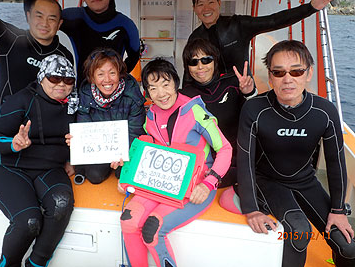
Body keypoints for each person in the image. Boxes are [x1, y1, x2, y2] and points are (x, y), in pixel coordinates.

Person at [234, 40, 355, 267]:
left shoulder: (324, 112)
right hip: (267, 181)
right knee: (299, 231)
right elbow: (245, 160)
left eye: (296, 71)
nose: (287, 79)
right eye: (278, 72)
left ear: (308, 74)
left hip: (305, 180)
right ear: (270, 77)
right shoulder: (255, 109)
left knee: (348, 246)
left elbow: (336, 163)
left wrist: (338, 210)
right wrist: (251, 210)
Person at [120, 58, 232, 267]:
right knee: (128, 220)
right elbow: (148, 153)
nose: (161, 93)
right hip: (163, 185)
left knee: (152, 228)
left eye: (165, 84)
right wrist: (127, 175)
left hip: (196, 188)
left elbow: (225, 149)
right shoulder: (150, 116)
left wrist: (209, 183)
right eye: (153, 88)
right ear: (147, 93)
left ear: (175, 83)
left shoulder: (194, 111)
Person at [0, 54, 78, 267]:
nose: (61, 85)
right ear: (41, 78)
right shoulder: (22, 100)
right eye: (54, 79)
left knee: (61, 205)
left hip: (50, 168)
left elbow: (86, 132)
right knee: (29, 221)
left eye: (68, 80)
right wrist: (13, 143)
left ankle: (36, 264)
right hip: (11, 168)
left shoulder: (74, 103)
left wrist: (75, 156)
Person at [187, 0, 337, 78]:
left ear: (219, 3)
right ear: (194, 9)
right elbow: (189, 74)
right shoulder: (195, 38)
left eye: (211, 2)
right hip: (212, 95)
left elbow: (274, 20)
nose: (206, 8)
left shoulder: (238, 24)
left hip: (243, 91)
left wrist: (310, 8)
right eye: (200, 4)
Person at [24, 0, 140, 88]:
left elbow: (134, 57)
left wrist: (117, 77)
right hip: (82, 95)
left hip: (112, 93)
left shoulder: (126, 25)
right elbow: (34, 17)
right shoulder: (73, 17)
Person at [181, 38, 255, 187]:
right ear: (187, 67)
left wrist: (249, 93)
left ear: (215, 61)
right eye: (194, 62)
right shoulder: (183, 96)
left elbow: (254, 117)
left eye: (206, 60)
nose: (200, 67)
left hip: (236, 164)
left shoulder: (233, 84)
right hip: (201, 168)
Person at [71, 48, 146, 185]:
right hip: (100, 149)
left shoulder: (132, 95)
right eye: (100, 74)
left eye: (112, 73)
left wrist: (124, 154)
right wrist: (78, 142)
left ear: (120, 74)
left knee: (123, 173)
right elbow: (84, 128)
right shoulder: (85, 95)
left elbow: (135, 131)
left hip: (125, 150)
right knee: (95, 176)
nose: (107, 80)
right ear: (92, 77)